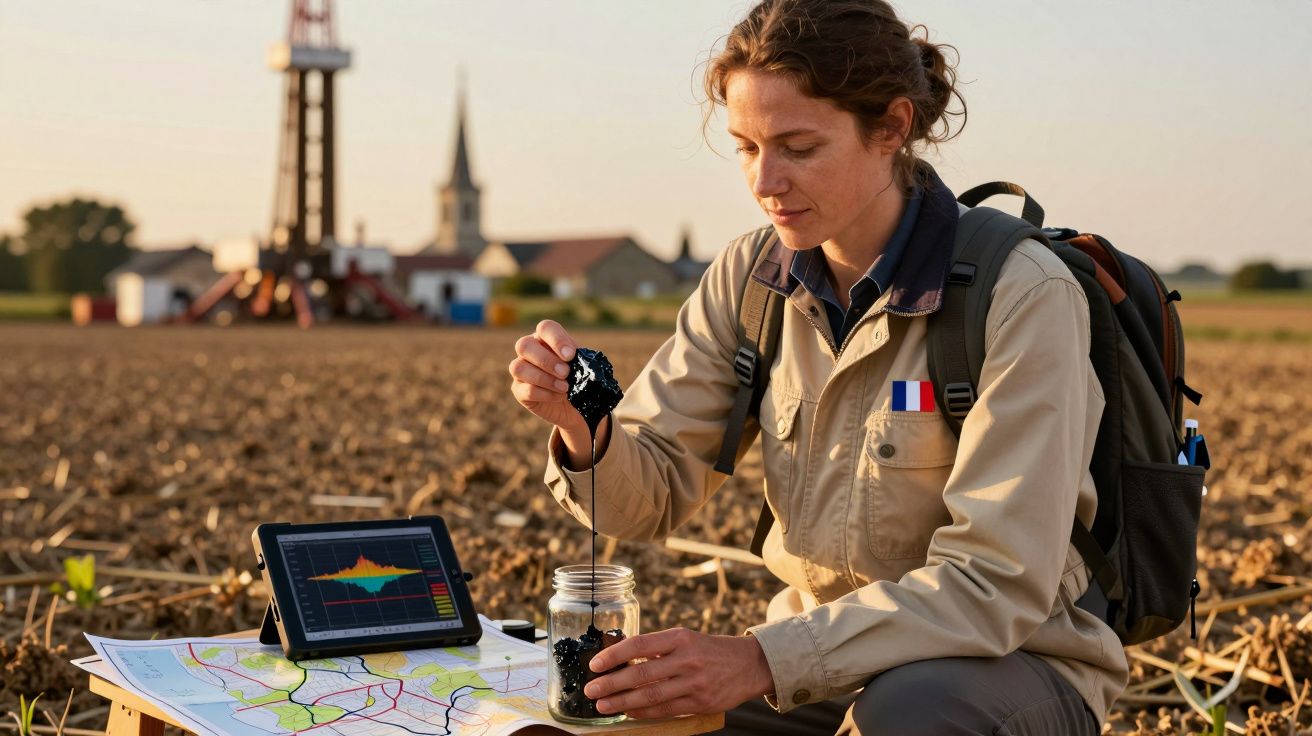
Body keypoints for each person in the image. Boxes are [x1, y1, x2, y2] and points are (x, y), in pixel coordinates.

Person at [508, 1, 1127, 733]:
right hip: (822, 664)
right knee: (612, 716)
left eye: (797, 147)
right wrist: (588, 432)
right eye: (744, 146)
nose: (764, 181)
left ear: (892, 128)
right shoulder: (749, 278)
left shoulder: (1021, 293)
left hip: (1010, 668)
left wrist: (761, 660)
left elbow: (996, 581)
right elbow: (645, 500)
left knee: (908, 715)